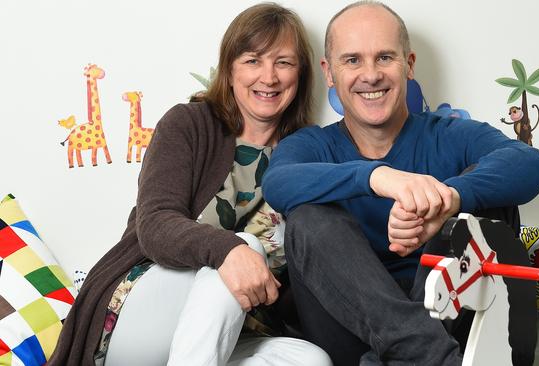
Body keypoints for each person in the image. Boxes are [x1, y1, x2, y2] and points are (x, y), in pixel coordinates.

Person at [262, 1, 539, 365]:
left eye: (385, 57)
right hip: (351, 330)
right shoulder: (311, 145)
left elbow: (531, 164)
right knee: (307, 220)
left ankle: (409, 353)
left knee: (488, 206)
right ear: (329, 73)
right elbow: (278, 183)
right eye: (352, 60)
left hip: (449, 322)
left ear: (409, 64)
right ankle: (422, 352)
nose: (370, 75)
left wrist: (449, 198)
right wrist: (377, 177)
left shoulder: (449, 134)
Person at [50, 3, 331, 366]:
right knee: (241, 247)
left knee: (311, 360)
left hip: (224, 338)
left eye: (283, 62)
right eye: (252, 60)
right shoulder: (189, 123)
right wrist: (229, 251)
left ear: (302, 73)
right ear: (229, 69)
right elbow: (153, 224)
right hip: (140, 316)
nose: (269, 77)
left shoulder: (310, 152)